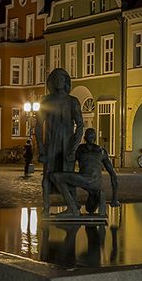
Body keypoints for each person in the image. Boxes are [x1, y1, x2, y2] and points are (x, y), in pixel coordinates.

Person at [37, 68, 84, 214]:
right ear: (51, 82)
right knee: (47, 175)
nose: (58, 81)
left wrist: (74, 147)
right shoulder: (46, 101)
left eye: (61, 78)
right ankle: (46, 206)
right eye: (55, 78)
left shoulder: (72, 101)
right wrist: (41, 149)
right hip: (51, 143)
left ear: (66, 81)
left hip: (67, 144)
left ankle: (72, 205)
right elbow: (38, 126)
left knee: (68, 175)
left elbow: (80, 125)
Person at [49, 128, 120, 217]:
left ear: (85, 138)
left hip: (85, 179)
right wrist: (114, 199)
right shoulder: (102, 151)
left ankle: (72, 208)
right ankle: (76, 205)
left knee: (55, 176)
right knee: (70, 181)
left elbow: (69, 161)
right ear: (95, 138)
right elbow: (113, 175)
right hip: (96, 183)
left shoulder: (80, 149)